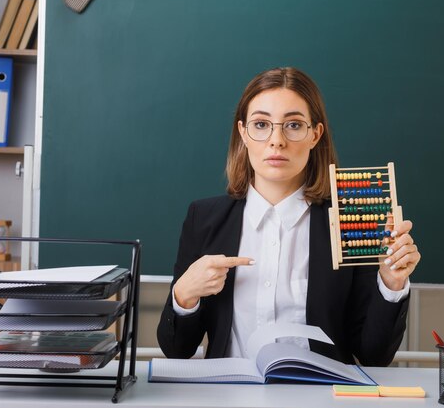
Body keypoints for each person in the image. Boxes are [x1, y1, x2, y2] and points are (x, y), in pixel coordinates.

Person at [157, 67, 421, 366]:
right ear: (243, 133)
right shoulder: (203, 219)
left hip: (321, 397)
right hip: (229, 395)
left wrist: (391, 284)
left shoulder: (351, 221)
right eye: (261, 124)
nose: (277, 140)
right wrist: (184, 296)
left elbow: (374, 355)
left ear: (315, 134)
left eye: (294, 125)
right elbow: (177, 350)